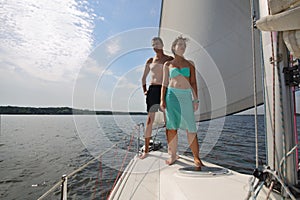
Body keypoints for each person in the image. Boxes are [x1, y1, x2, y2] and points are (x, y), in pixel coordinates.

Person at [160, 35, 204, 168]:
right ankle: (173, 155)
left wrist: (195, 100)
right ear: (174, 47)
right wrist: (162, 100)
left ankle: (196, 157)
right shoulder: (168, 64)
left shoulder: (190, 63)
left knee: (191, 128)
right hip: (171, 96)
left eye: (184, 45)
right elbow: (164, 84)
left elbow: (193, 83)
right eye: (180, 44)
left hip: (185, 97)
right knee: (172, 127)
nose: (182, 47)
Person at [140, 37, 173, 159]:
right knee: (149, 121)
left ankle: (171, 151)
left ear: (162, 44)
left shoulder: (169, 59)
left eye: (157, 43)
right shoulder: (150, 60)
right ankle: (146, 150)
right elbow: (143, 78)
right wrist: (145, 91)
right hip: (152, 91)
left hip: (165, 90)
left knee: (168, 121)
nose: (155, 46)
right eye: (153, 44)